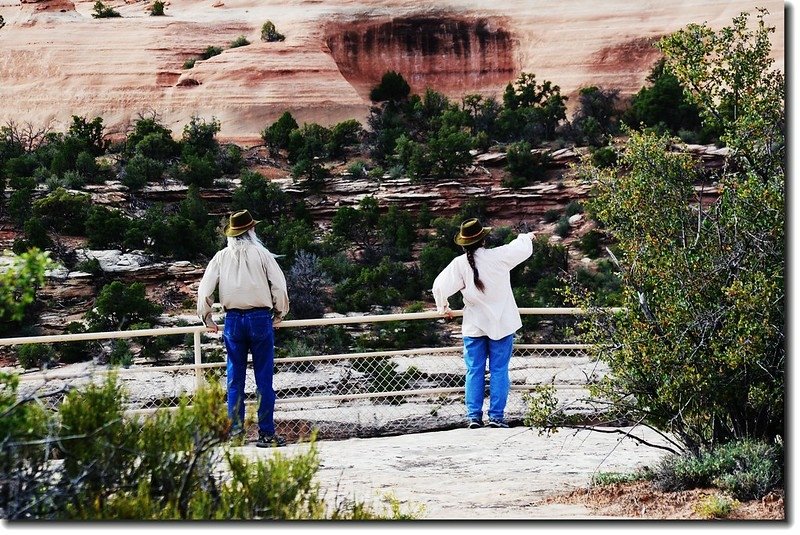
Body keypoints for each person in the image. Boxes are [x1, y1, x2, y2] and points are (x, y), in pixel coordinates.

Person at [197, 209, 290, 447]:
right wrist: (279, 314)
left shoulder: (220, 256)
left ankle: (236, 434)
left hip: (233, 321)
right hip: (260, 318)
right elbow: (279, 286)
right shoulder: (262, 254)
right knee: (264, 380)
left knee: (234, 380)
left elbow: (205, 290)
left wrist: (207, 319)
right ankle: (266, 434)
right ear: (250, 231)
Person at [432, 218, 534, 429]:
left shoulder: (459, 264)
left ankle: (474, 417)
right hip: (502, 324)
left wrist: (443, 307)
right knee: (499, 371)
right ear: (484, 240)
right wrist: (526, 237)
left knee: (474, 371)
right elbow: (520, 248)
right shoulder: (499, 256)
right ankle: (496, 417)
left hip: (474, 325)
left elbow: (440, 286)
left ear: (463, 244)